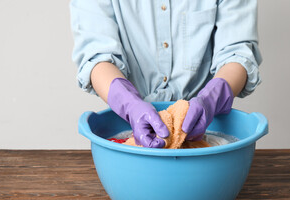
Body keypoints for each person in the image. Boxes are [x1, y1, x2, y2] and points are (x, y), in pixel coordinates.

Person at [70, 0, 262, 148]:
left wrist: (211, 99)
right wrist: (130, 105)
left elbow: (238, 54)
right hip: (129, 129)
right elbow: (96, 58)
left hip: (207, 130)